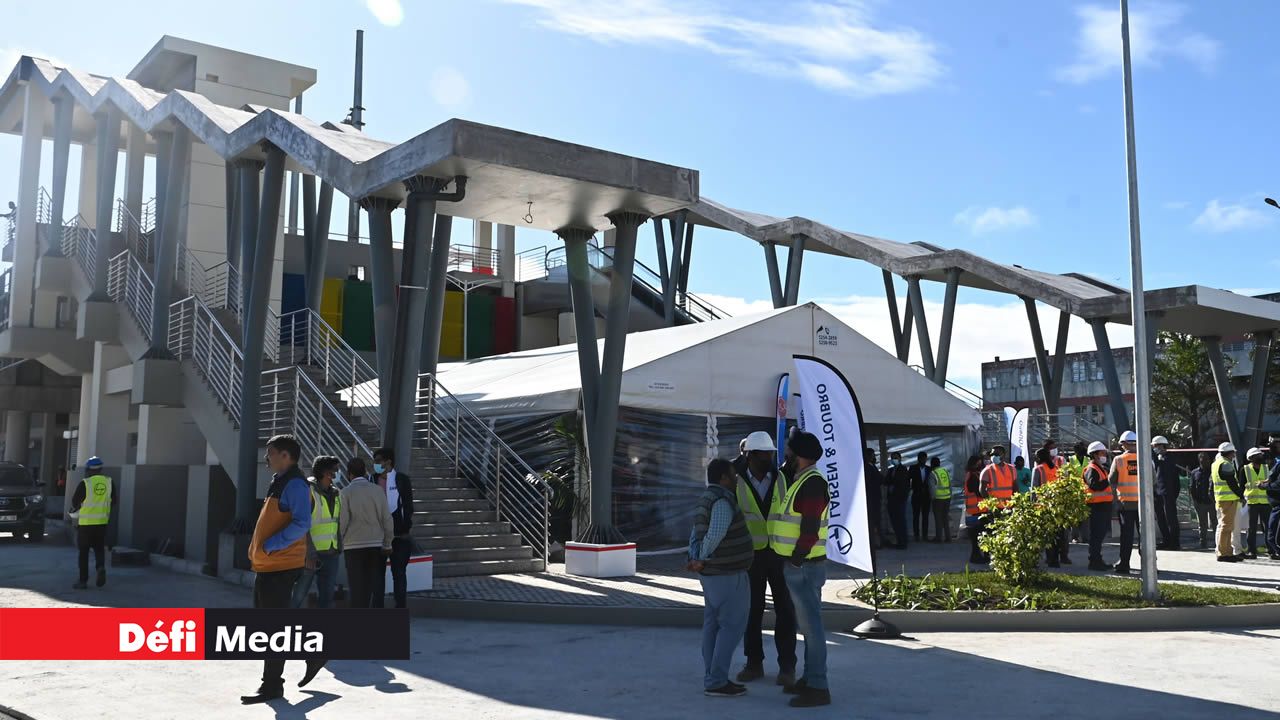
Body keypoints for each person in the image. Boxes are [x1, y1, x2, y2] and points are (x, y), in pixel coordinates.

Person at [240, 435, 324, 705]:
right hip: (270, 564)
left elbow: (302, 523)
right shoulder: (280, 481)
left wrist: (272, 546)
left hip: (281, 564)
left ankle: (273, 686)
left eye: (271, 453)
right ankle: (313, 654)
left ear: (286, 456)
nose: (267, 457)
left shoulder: (296, 485)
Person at [770, 431, 831, 708]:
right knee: (808, 628)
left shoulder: (812, 483)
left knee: (812, 628)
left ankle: (818, 686)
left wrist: (796, 558)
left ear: (800, 455)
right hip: (802, 565)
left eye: (789, 451)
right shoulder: (802, 480)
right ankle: (810, 678)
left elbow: (809, 527)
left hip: (804, 566)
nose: (785, 455)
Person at [731, 432, 797, 687]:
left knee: (786, 611)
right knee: (752, 611)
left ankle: (787, 667)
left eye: (770, 453)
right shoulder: (735, 481)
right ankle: (754, 663)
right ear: (750, 456)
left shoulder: (782, 478)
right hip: (751, 556)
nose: (768, 458)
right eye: (763, 454)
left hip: (779, 554)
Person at [688, 458, 754, 698]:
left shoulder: (706, 498)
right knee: (732, 626)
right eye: (733, 474)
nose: (736, 478)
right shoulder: (723, 501)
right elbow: (714, 534)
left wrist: (696, 557)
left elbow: (696, 533)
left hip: (713, 576)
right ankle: (716, 681)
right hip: (727, 574)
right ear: (724, 478)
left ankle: (712, 676)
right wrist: (701, 558)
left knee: (713, 625)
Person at [339, 457, 394, 609]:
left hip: (353, 547)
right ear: (364, 472)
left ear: (349, 474)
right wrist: (388, 543)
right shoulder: (377, 490)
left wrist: (339, 541)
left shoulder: (345, 493)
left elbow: (342, 522)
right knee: (372, 587)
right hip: (375, 546)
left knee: (357, 590)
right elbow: (387, 520)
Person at [291, 456, 343, 609]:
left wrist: (339, 545)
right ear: (327, 473)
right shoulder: (308, 492)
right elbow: (301, 524)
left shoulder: (336, 493)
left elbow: (335, 522)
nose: (338, 473)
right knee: (298, 597)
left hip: (331, 553)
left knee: (327, 599)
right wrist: (309, 552)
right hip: (310, 555)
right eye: (336, 470)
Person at [372, 447, 414, 608]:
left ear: (388, 461)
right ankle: (377, 609)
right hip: (377, 537)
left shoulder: (402, 480)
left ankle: (400, 608)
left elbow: (408, 505)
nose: (375, 464)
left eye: (378, 461)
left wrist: (404, 526)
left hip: (399, 537)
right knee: (377, 576)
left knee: (399, 574)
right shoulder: (372, 480)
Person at [68, 456, 115, 589]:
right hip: (102, 523)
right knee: (99, 548)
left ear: (88, 469)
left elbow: (74, 501)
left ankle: (83, 581)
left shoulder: (85, 483)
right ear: (101, 469)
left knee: (83, 552)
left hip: (86, 524)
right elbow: (114, 501)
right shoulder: (109, 482)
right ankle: (100, 567)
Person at [1108, 430, 1141, 574]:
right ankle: (1150, 565)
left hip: (1125, 504)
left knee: (1126, 536)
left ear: (1124, 444)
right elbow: (1153, 479)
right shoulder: (1145, 458)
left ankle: (1124, 564)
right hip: (1143, 505)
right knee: (1145, 537)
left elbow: (1111, 480)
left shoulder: (1118, 460)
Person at [1032, 447, 1069, 567]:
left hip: (1044, 507)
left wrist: (1033, 506)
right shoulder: (1056, 468)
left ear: (1038, 458)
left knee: (1049, 535)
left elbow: (1034, 490)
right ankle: (1060, 557)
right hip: (1057, 505)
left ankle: (1051, 559)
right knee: (1059, 534)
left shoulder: (1038, 469)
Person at [1083, 441, 1115, 571]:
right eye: (1102, 453)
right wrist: (1108, 480)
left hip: (1103, 507)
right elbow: (1094, 485)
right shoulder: (1091, 469)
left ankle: (1097, 560)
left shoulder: (1100, 467)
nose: (1104, 455)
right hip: (1096, 507)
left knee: (1100, 536)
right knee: (1096, 536)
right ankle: (1094, 561)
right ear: (1095, 454)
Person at [1212, 442, 1245, 563]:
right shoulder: (1226, 464)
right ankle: (1224, 553)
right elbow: (1232, 483)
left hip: (1222, 499)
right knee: (1226, 527)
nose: (1234, 455)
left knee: (1224, 526)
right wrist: (1240, 495)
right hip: (1228, 500)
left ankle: (1226, 552)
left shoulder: (1216, 463)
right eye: (1233, 453)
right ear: (1230, 453)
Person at [1150, 436, 1182, 551]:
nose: (1154, 448)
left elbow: (1165, 470)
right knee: (1161, 518)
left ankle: (1174, 542)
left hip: (1167, 493)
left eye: (1155, 446)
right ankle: (1166, 540)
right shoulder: (1159, 459)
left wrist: (1173, 495)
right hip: (1158, 493)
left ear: (1163, 446)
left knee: (1171, 519)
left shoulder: (1168, 459)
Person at [1242, 447, 1270, 559]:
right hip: (1252, 502)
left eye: (1260, 455)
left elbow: (1271, 481)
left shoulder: (1266, 468)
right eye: (1257, 455)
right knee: (1251, 528)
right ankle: (1251, 551)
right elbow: (1241, 484)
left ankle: (1271, 550)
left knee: (1268, 527)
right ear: (1251, 458)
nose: (1260, 457)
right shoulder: (1245, 469)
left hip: (1265, 502)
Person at [1188, 452, 1218, 549]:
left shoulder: (1213, 471)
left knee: (1215, 523)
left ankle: (1217, 542)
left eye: (1206, 459)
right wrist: (1195, 501)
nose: (1205, 461)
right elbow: (1192, 488)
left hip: (1212, 502)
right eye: (1203, 459)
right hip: (1200, 503)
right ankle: (1203, 542)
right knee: (1202, 524)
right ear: (1199, 460)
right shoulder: (1194, 473)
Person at [963, 455, 987, 564]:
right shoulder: (972, 475)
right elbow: (976, 490)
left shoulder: (975, 474)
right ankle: (976, 556)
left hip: (979, 509)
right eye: (977, 463)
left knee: (979, 534)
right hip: (976, 509)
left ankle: (979, 555)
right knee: (977, 535)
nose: (979, 464)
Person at [884, 451, 910, 549]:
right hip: (891, 500)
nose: (894, 460)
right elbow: (886, 481)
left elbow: (903, 484)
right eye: (892, 458)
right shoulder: (891, 470)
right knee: (894, 521)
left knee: (900, 521)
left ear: (900, 459)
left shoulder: (903, 469)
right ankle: (899, 540)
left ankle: (903, 542)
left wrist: (894, 485)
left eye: (895, 458)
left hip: (900, 499)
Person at [1068, 442, 1090, 544]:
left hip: (1086, 491)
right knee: (1075, 517)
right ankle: (1075, 537)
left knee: (1085, 517)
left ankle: (1085, 537)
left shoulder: (1088, 460)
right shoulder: (1071, 460)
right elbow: (1068, 475)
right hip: (1074, 491)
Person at [927, 456, 952, 543]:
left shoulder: (933, 473)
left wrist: (932, 498)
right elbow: (950, 484)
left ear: (932, 464)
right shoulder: (945, 471)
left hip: (938, 499)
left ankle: (938, 538)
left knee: (938, 519)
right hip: (947, 497)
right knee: (945, 518)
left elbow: (932, 488)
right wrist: (950, 495)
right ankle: (948, 537)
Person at [863, 448, 884, 550]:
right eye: (872, 455)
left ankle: (878, 541)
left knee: (877, 520)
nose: (873, 457)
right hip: (871, 499)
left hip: (875, 498)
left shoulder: (873, 466)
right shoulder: (866, 467)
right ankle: (874, 542)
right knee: (873, 520)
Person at [909, 451, 930, 542]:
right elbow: (908, 479)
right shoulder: (913, 468)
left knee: (925, 516)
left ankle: (925, 535)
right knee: (916, 516)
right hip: (916, 494)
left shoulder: (929, 469)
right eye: (922, 459)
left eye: (925, 459)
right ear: (918, 459)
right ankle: (916, 535)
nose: (923, 460)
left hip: (926, 495)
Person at [1268, 436, 1280, 560]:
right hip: (1274, 504)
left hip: (1277, 503)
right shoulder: (1275, 462)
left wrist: (1266, 485)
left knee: (1274, 534)